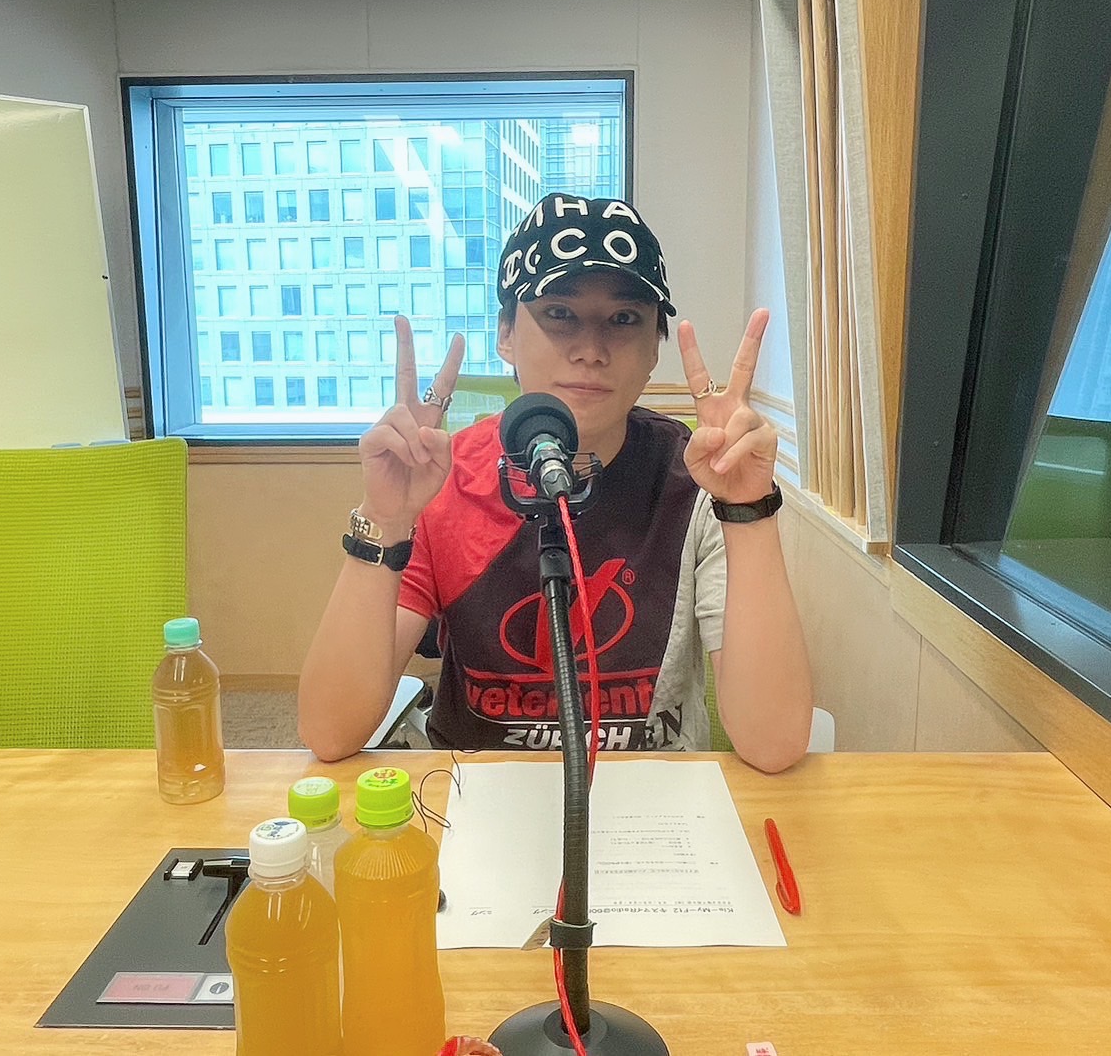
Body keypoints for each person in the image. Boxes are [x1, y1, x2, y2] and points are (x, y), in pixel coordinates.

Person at [300, 193, 812, 772]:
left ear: (655, 348)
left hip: (652, 795)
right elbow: (329, 731)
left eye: (624, 319)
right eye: (559, 314)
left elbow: (773, 744)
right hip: (476, 793)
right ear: (506, 334)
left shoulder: (698, 480)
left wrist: (747, 508)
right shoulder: (442, 481)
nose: (590, 351)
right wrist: (386, 519)